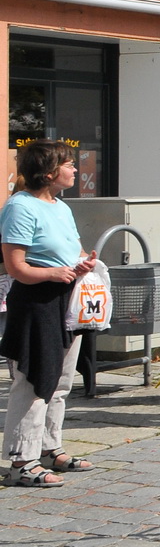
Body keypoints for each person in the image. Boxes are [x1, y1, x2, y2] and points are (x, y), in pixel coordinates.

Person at [1, 141, 98, 486]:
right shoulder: (20, 207)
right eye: (68, 164)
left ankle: (49, 448)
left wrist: (83, 263)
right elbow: (16, 266)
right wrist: (53, 273)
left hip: (67, 300)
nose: (75, 169)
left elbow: (71, 249)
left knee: (60, 381)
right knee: (33, 381)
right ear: (48, 172)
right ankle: (21, 460)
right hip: (36, 302)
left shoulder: (60, 206)